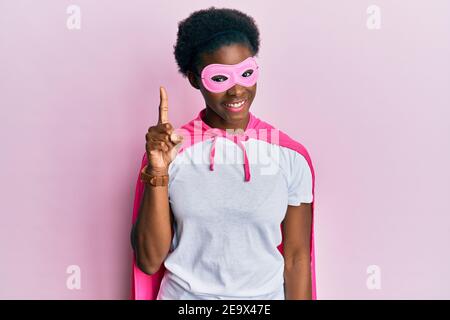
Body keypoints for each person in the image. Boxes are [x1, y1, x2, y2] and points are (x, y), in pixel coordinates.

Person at [130, 7, 317, 300]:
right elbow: (149, 260)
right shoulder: (170, 153)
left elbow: (296, 258)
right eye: (220, 78)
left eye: (246, 73)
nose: (237, 91)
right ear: (194, 79)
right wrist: (158, 174)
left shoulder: (289, 156)